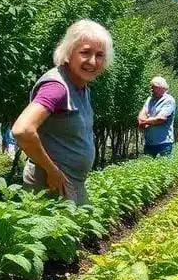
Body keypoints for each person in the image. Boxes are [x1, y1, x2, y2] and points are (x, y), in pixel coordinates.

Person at [12, 19, 112, 205]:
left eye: (99, 55)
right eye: (85, 53)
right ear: (68, 53)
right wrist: (52, 170)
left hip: (71, 183)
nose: (93, 61)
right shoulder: (57, 87)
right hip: (52, 185)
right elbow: (23, 130)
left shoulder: (80, 86)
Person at [137, 76, 177, 157]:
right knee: (147, 167)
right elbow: (142, 114)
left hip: (164, 143)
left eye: (154, 87)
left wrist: (144, 122)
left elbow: (160, 119)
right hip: (149, 142)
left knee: (164, 167)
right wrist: (145, 120)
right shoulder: (149, 99)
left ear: (162, 88)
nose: (152, 89)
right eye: (151, 87)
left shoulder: (169, 100)